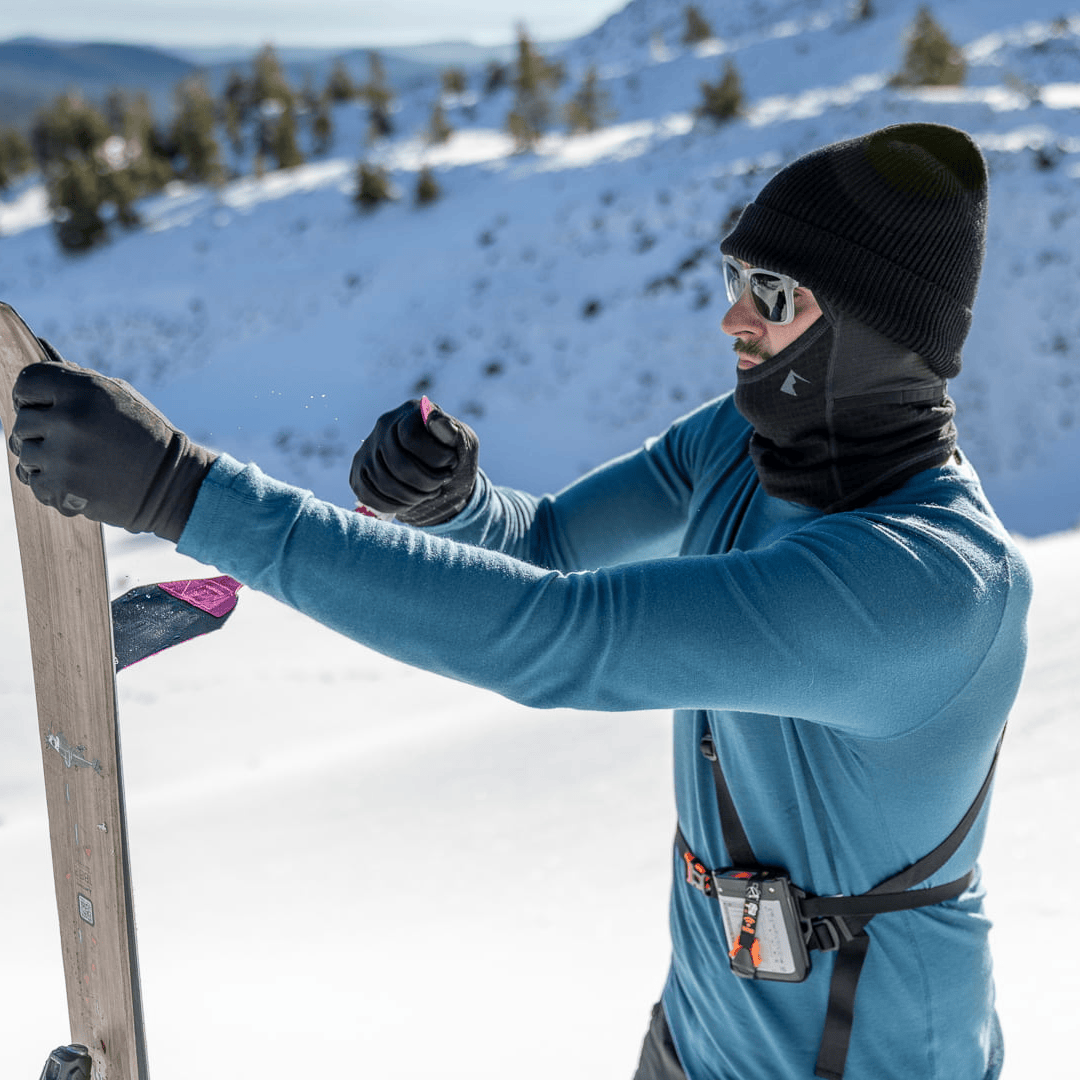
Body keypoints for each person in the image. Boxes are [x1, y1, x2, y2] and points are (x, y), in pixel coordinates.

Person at [7, 123, 1030, 1080]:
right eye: (735, 279)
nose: (732, 317)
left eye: (773, 292)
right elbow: (548, 550)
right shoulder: (747, 442)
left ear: (872, 330)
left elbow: (565, 637)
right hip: (693, 1039)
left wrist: (184, 492)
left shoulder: (927, 586)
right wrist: (458, 504)